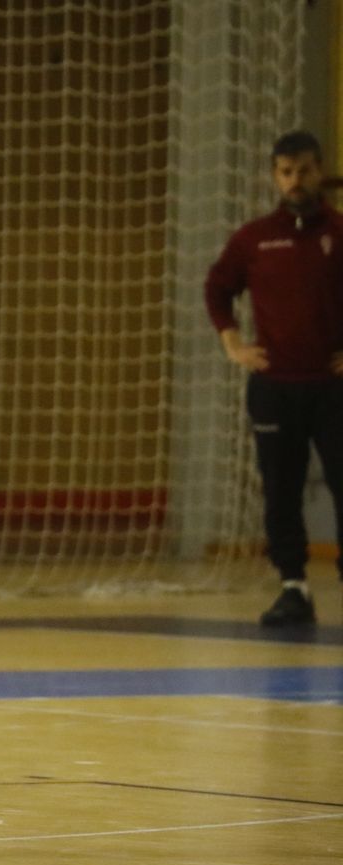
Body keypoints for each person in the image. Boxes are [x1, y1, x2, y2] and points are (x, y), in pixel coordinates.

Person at [205, 129, 343, 627]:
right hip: (274, 387)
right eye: (285, 172)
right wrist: (234, 345)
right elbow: (217, 290)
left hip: (332, 389)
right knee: (280, 488)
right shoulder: (254, 238)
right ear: (274, 176)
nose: (295, 180)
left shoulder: (340, 232)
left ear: (319, 170)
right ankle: (293, 587)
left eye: (304, 170)